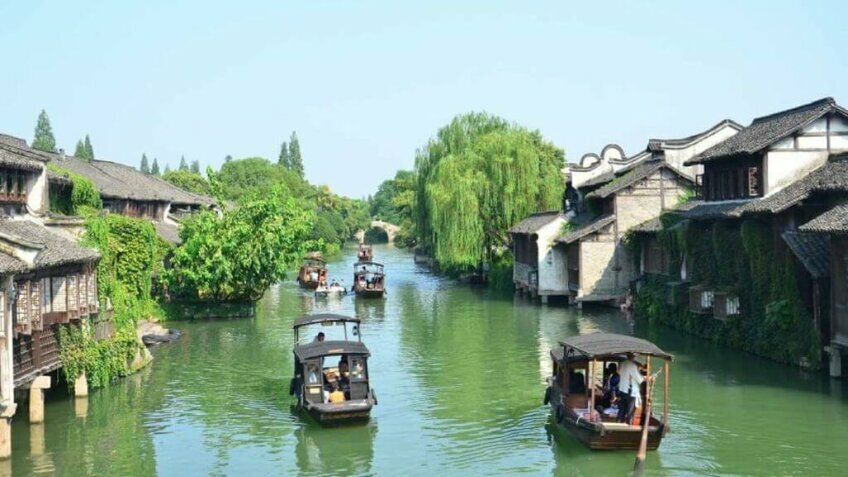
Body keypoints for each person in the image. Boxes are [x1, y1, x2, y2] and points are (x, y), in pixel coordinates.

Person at [617, 353, 644, 424]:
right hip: (630, 391)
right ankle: (629, 426)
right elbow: (639, 380)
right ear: (633, 356)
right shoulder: (632, 366)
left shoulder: (623, 364)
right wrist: (647, 378)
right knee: (630, 411)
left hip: (622, 389)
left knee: (622, 409)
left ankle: (619, 424)